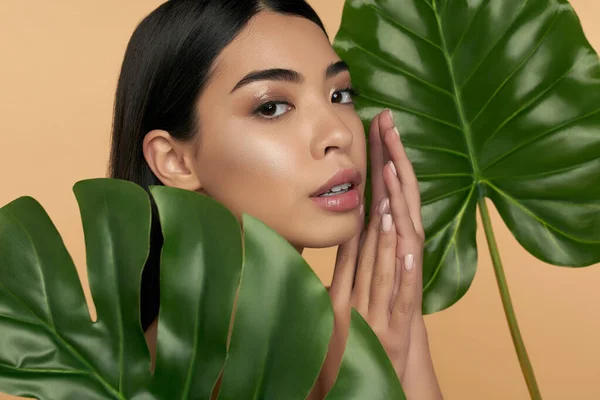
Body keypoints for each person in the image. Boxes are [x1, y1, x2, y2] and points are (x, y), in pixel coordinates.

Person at [109, 0, 443, 398]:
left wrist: (404, 321)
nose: (339, 133)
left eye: (340, 95)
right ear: (175, 160)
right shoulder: (169, 376)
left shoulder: (356, 329)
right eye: (272, 107)